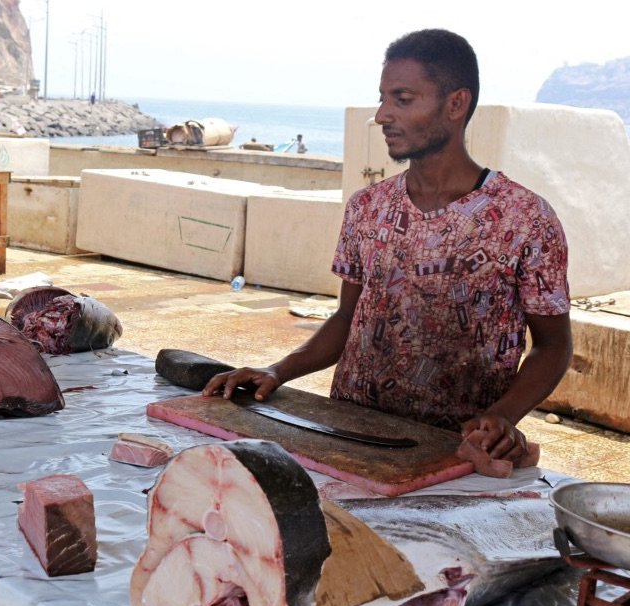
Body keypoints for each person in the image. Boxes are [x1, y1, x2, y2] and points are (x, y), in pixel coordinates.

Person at [204, 29, 572, 467]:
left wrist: (502, 416)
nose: (381, 115)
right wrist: (277, 371)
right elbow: (347, 317)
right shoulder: (367, 206)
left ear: (455, 104)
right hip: (348, 434)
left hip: (452, 454)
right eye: (382, 98)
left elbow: (552, 346)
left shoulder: (525, 218)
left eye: (402, 98)